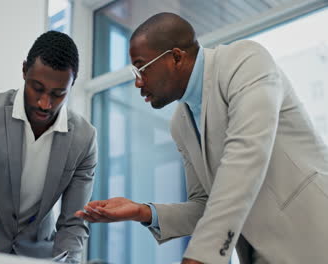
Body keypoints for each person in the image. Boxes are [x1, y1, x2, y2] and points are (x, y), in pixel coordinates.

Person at [75, 12, 328, 264]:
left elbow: (246, 159)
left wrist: (200, 257)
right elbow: (204, 205)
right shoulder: (181, 124)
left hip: (315, 238)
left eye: (142, 68)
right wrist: (144, 212)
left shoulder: (246, 62)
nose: (138, 82)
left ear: (175, 57)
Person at [0, 31, 97, 263]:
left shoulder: (84, 139)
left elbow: (73, 222)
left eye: (58, 94)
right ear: (24, 70)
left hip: (37, 256)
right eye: (37, 88)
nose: (45, 103)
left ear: (72, 85)